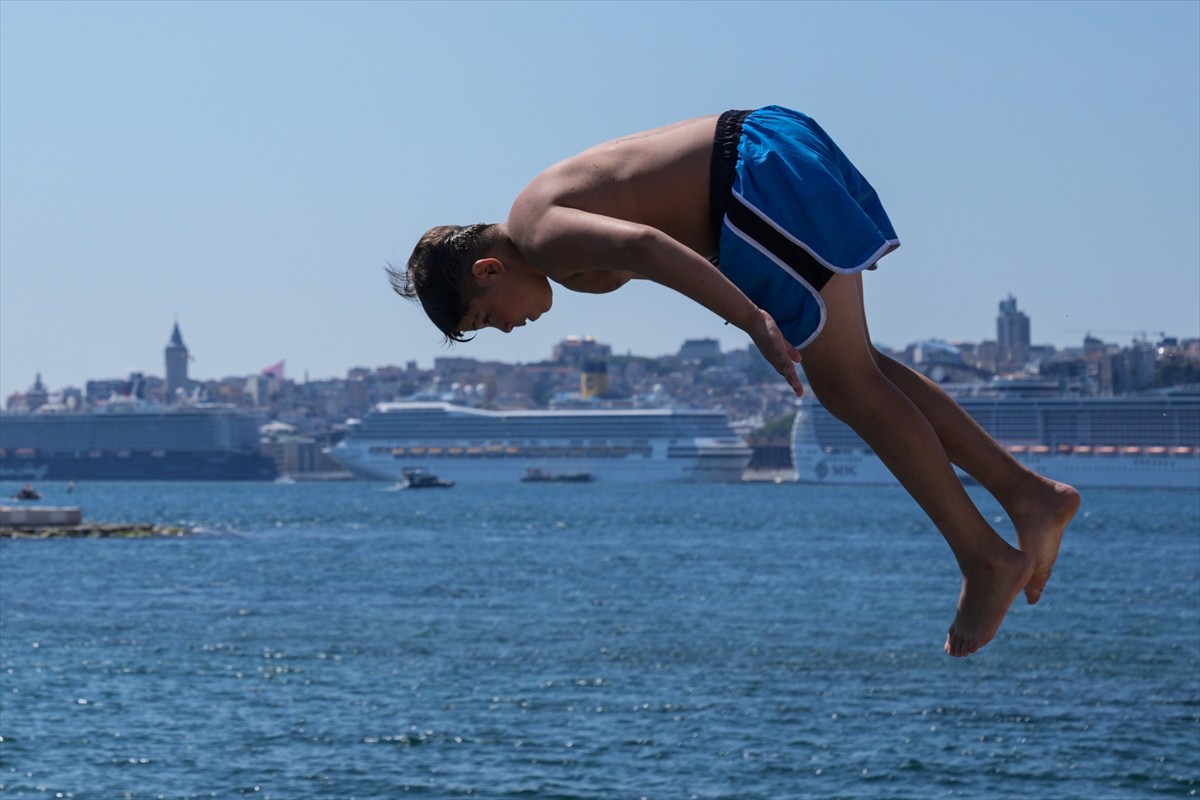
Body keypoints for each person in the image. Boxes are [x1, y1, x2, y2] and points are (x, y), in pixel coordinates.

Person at [390, 105, 1080, 657]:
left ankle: (984, 555)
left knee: (843, 386)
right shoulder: (541, 213)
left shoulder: (539, 237)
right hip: (766, 151)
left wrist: (750, 319)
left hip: (753, 176)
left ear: (488, 270)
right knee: (856, 369)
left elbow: (647, 247)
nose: (508, 331)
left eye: (489, 319)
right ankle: (1027, 494)